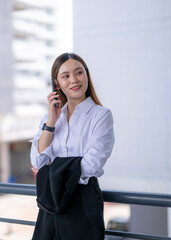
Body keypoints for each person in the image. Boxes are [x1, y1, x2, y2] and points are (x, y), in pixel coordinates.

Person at [29, 53, 115, 240]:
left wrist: (51, 170)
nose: (74, 80)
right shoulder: (50, 117)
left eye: (79, 73)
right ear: (57, 83)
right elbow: (37, 160)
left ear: (87, 75)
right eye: (66, 76)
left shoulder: (101, 115)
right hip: (51, 201)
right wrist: (51, 122)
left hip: (82, 200)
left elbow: (92, 165)